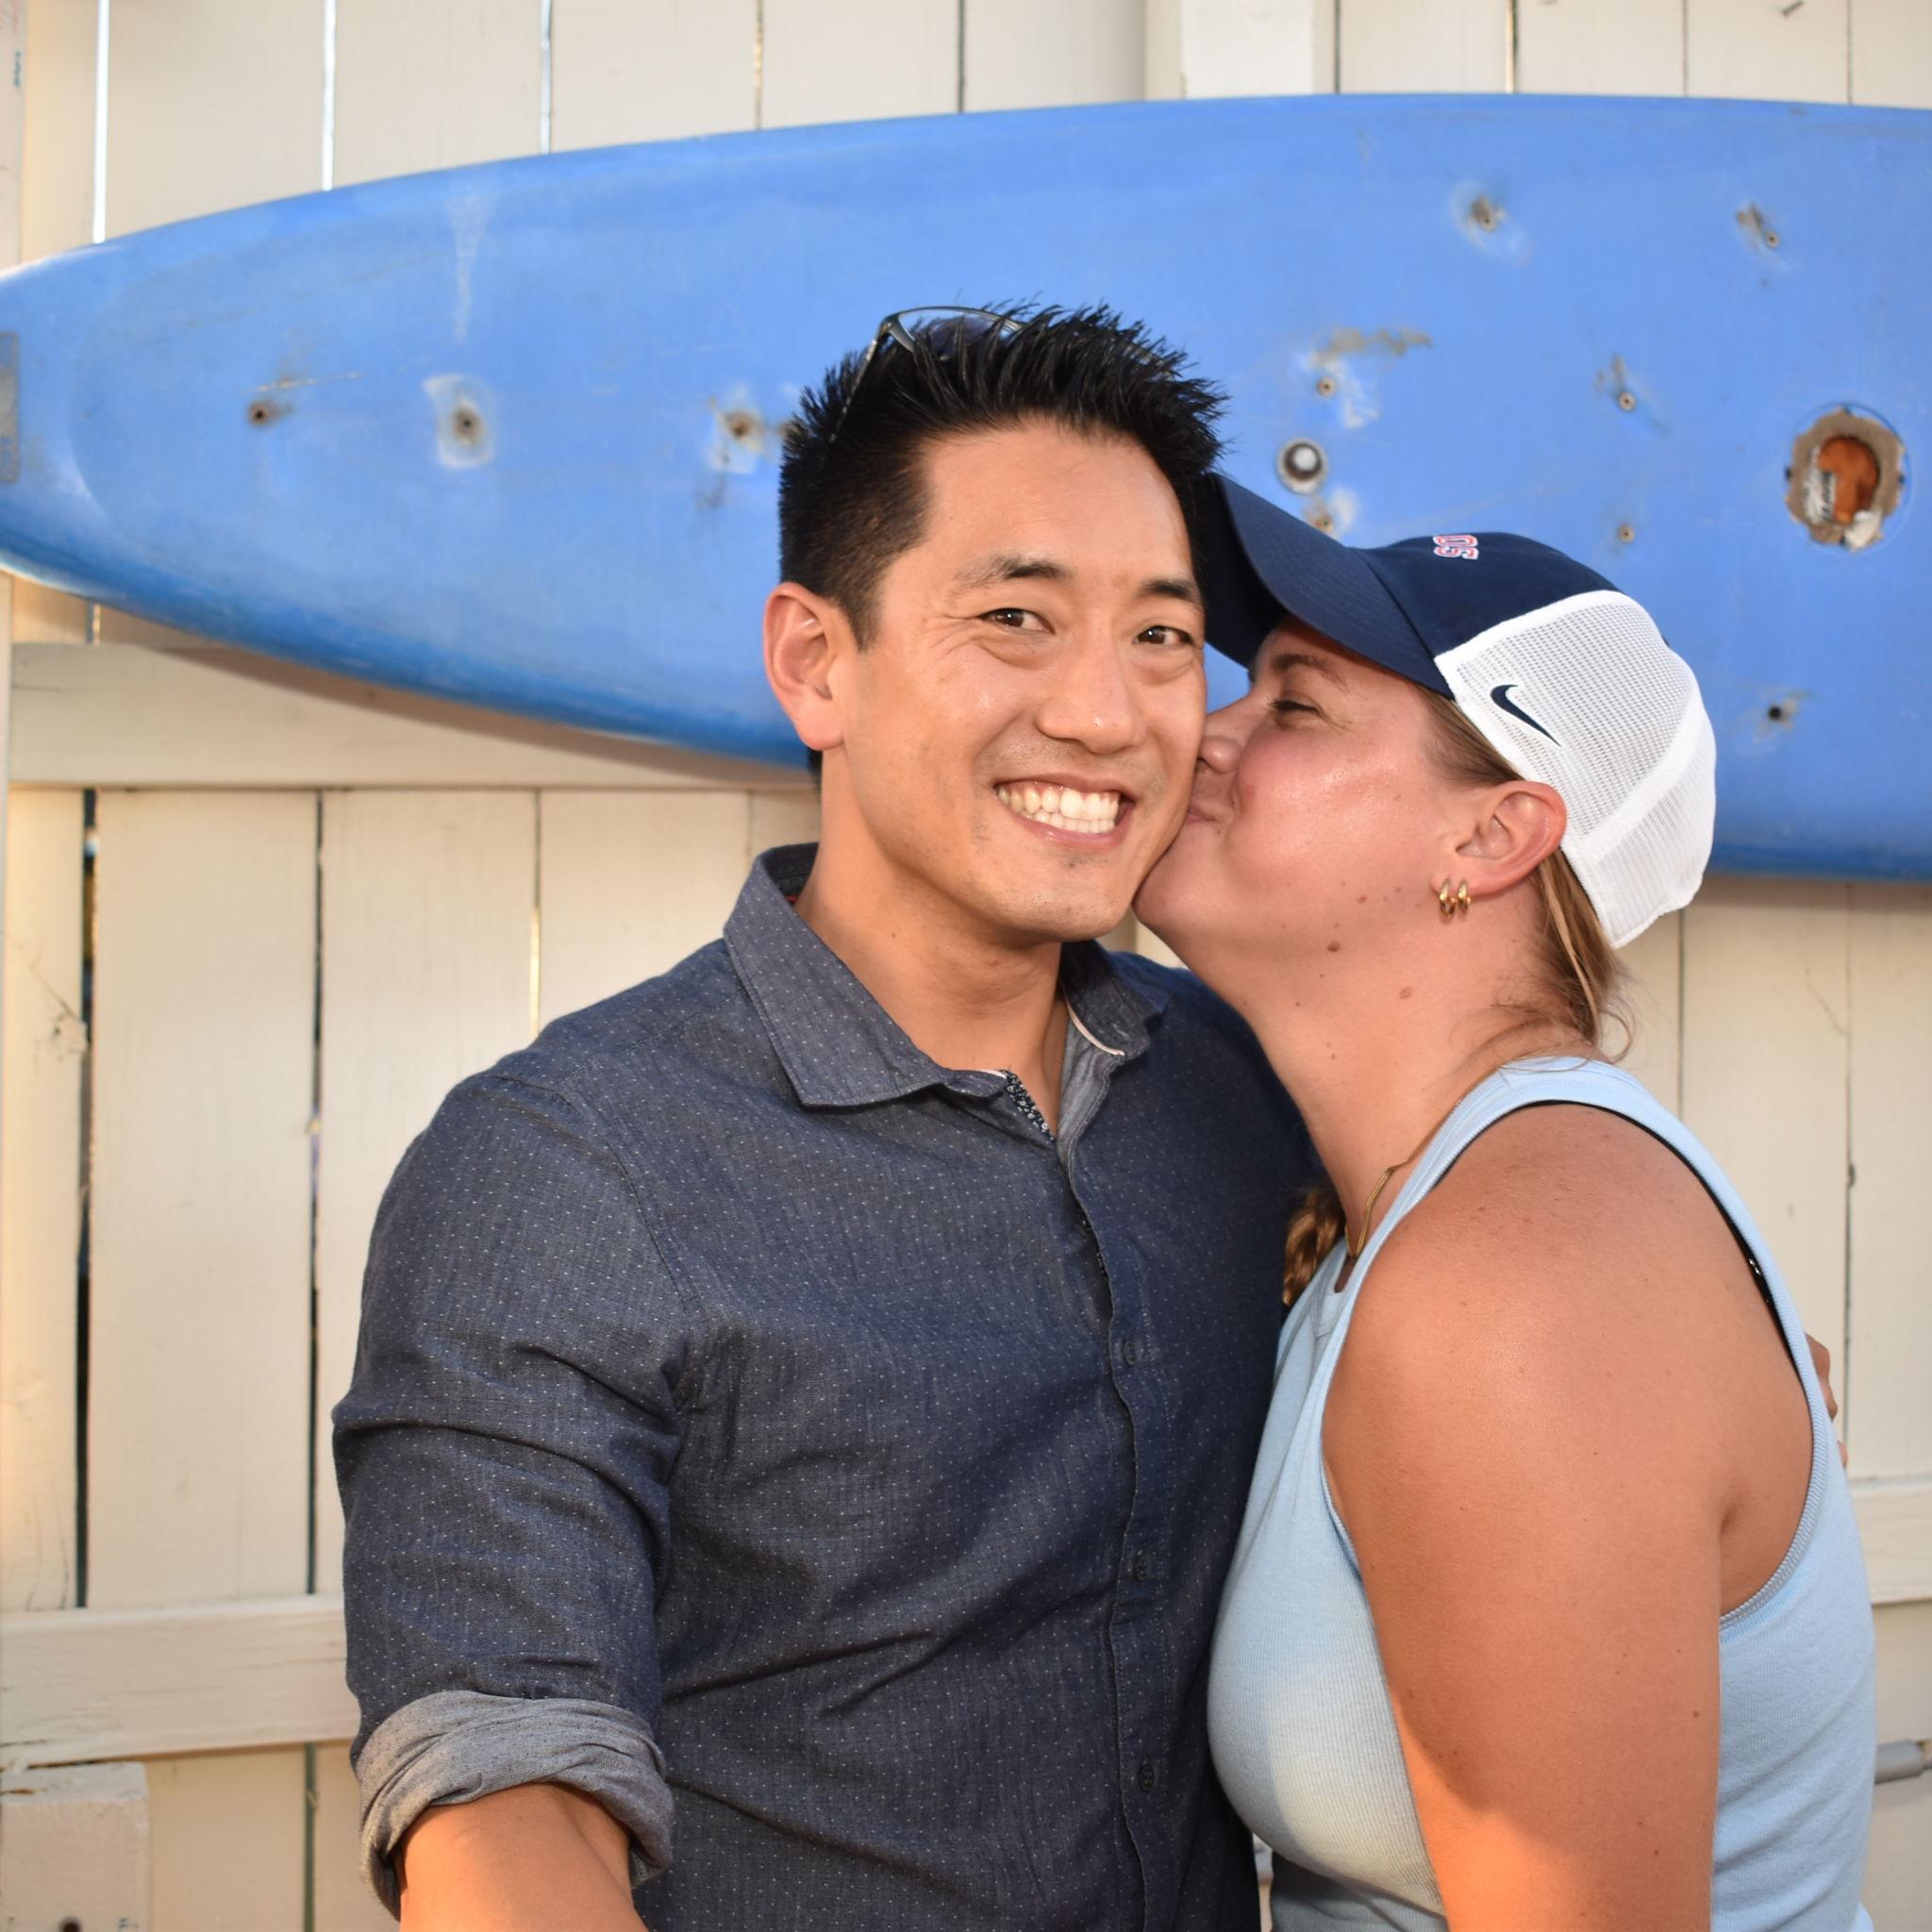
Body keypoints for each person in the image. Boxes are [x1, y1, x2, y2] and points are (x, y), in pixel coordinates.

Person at [332, 308, 1313, 1931]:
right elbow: (499, 1764)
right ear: (815, 662)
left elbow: (1482, 1235)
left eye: (1159, 638)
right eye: (1015, 617)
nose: (1104, 712)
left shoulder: (1235, 1081)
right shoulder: (567, 1166)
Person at [1138, 478, 1876, 1930]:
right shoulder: (1439, 1222)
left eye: (1293, 707)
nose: (1194, 731)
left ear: (1490, 840)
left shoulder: (1522, 1286)